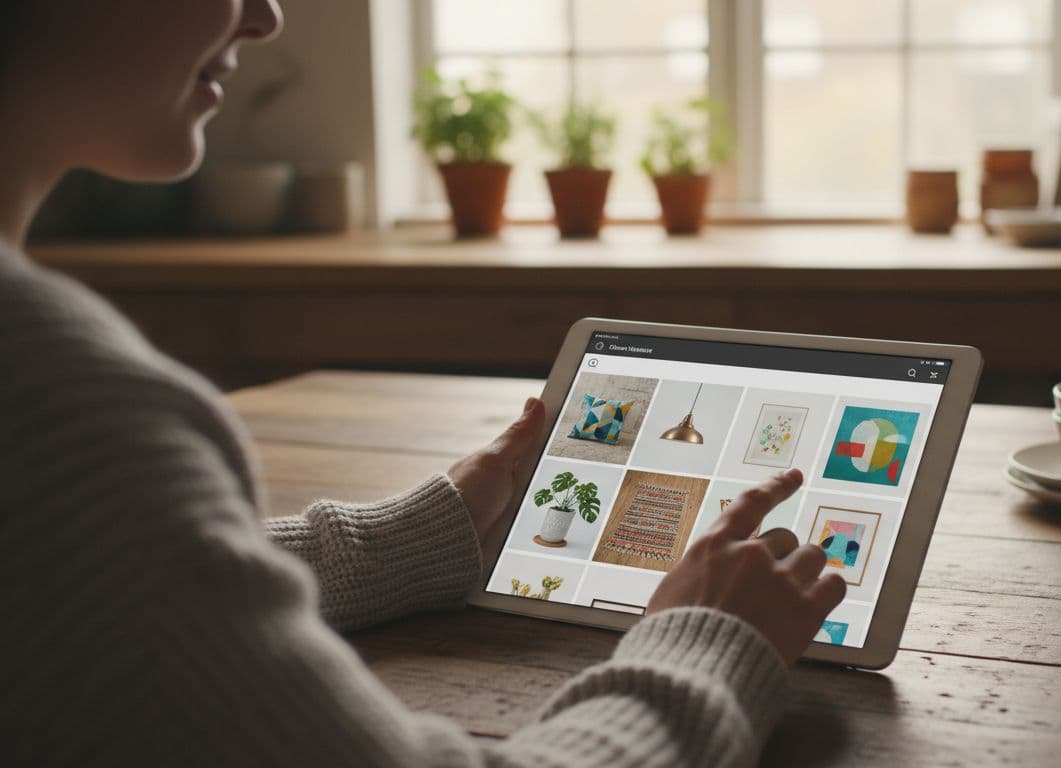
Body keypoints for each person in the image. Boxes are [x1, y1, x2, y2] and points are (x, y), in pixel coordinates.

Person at [0, 2, 847, 765]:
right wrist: (712, 642)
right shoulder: (65, 408)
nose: (264, 18)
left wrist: (409, 541)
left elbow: (93, 592)